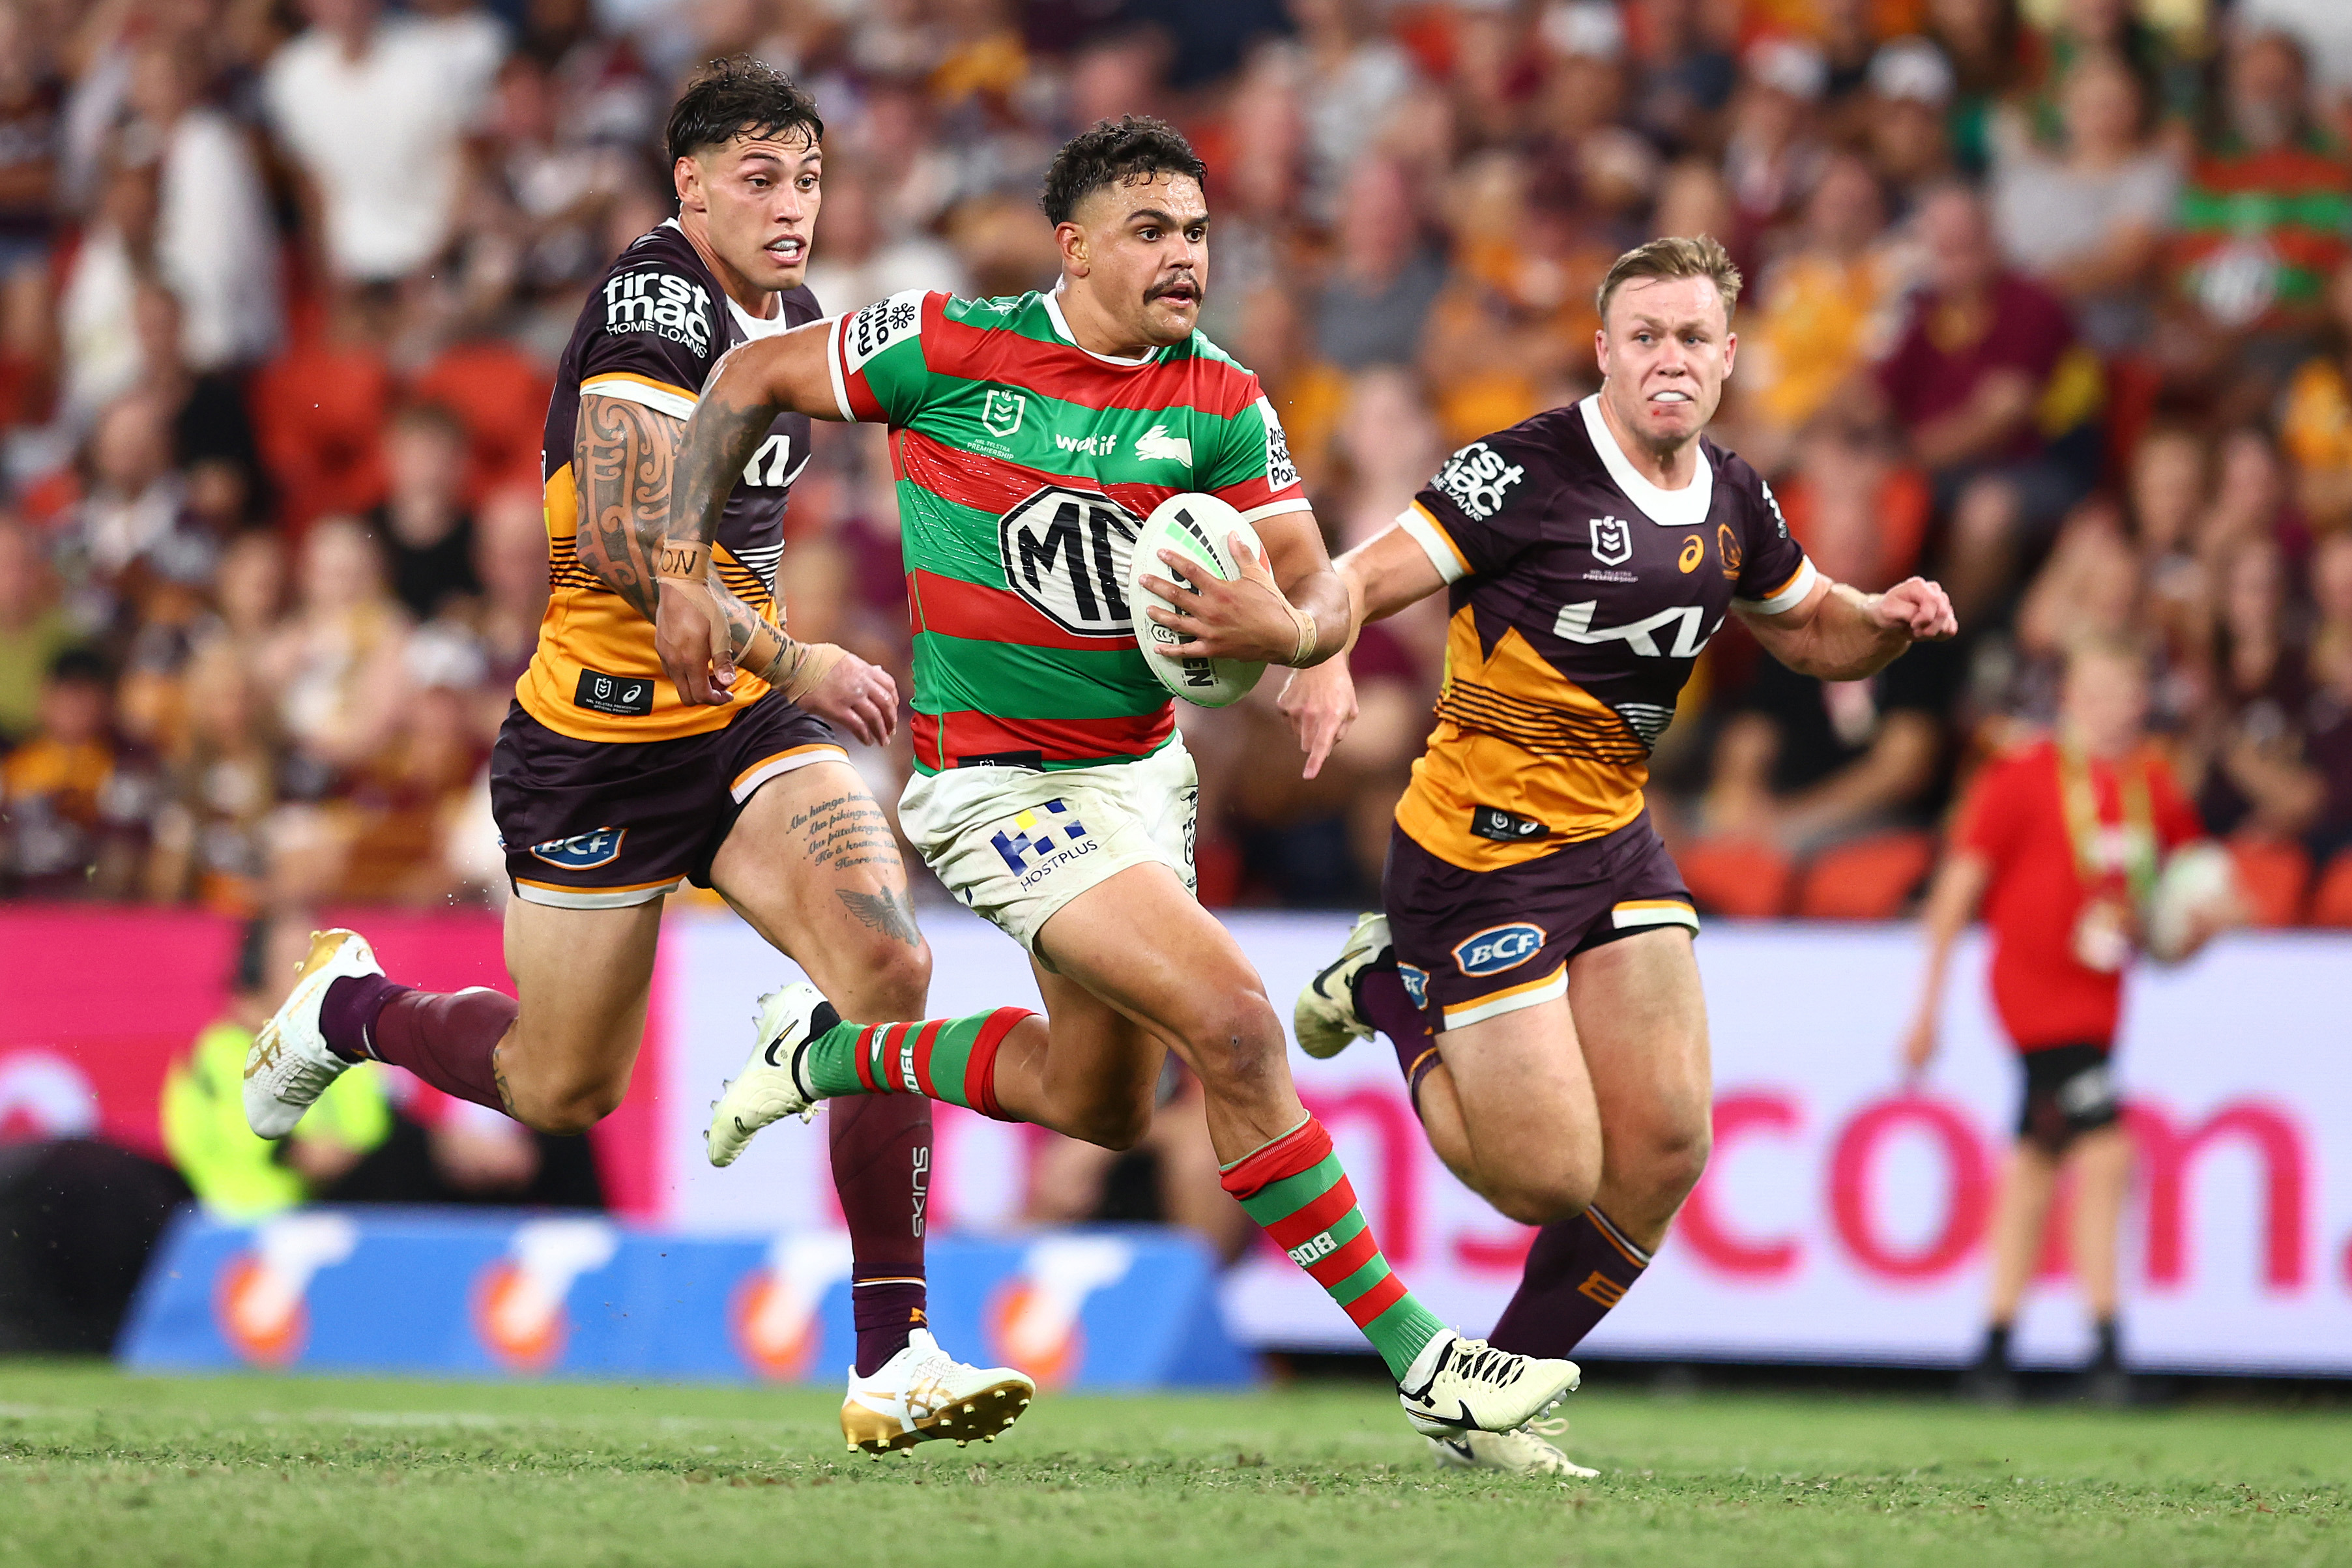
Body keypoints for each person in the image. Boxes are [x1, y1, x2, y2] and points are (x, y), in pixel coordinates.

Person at [663, 114, 1582, 1444]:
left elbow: (1306, 583)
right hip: (992, 785)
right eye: (1150, 232)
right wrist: (685, 566)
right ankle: (1428, 1363)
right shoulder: (946, 346)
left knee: (1093, 1104)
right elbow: (747, 379)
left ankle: (820, 1051)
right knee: (1234, 1026)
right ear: (1074, 246)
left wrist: (1307, 649)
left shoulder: (1220, 400)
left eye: (1198, 234)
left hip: (1139, 784)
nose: (1182, 259)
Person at [237, 58, 1032, 1456]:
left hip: (741, 732)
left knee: (889, 966)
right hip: (597, 748)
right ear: (692, 187)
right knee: (559, 1086)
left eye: (810, 180)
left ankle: (892, 1354)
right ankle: (347, 1013)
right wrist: (802, 657)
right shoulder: (652, 302)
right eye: (761, 181)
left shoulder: (788, 314)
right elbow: (618, 540)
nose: (794, 209)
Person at [1278, 235, 1958, 1473]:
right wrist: (1306, 638)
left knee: (1662, 1148)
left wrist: (1884, 625)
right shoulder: (1519, 471)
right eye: (1642, 336)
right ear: (1602, 351)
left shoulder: (1735, 499)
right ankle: (1385, 988)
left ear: (1726, 359)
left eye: (1691, 338)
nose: (1668, 359)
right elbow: (1366, 575)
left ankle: (1475, 1400)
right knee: (1544, 1179)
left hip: (1614, 843)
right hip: (1472, 859)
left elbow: (1811, 631)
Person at [1901, 635, 2220, 1404]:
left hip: (2101, 1005)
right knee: (2107, 1153)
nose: (2111, 710)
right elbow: (1957, 891)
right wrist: (1928, 1006)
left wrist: (2196, 926)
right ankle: (2108, 1353)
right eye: (2096, 693)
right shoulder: (2022, 777)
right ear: (2070, 698)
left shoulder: (2154, 786)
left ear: (2142, 702)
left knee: (2036, 1166)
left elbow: (2185, 906)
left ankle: (1994, 1353)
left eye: (2124, 694)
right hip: (2035, 1000)